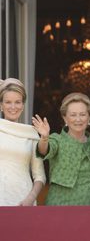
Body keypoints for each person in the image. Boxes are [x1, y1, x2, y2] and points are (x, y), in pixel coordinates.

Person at [32, 92, 90, 205]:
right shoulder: (57, 140)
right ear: (65, 118)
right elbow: (44, 150)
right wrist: (44, 138)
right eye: (73, 115)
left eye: (82, 114)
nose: (78, 119)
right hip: (60, 207)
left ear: (89, 117)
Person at [0, 78, 46, 206]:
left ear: (23, 105)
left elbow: (40, 176)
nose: (13, 107)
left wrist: (30, 199)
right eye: (8, 102)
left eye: (17, 102)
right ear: (1, 105)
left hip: (23, 200)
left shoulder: (31, 134)